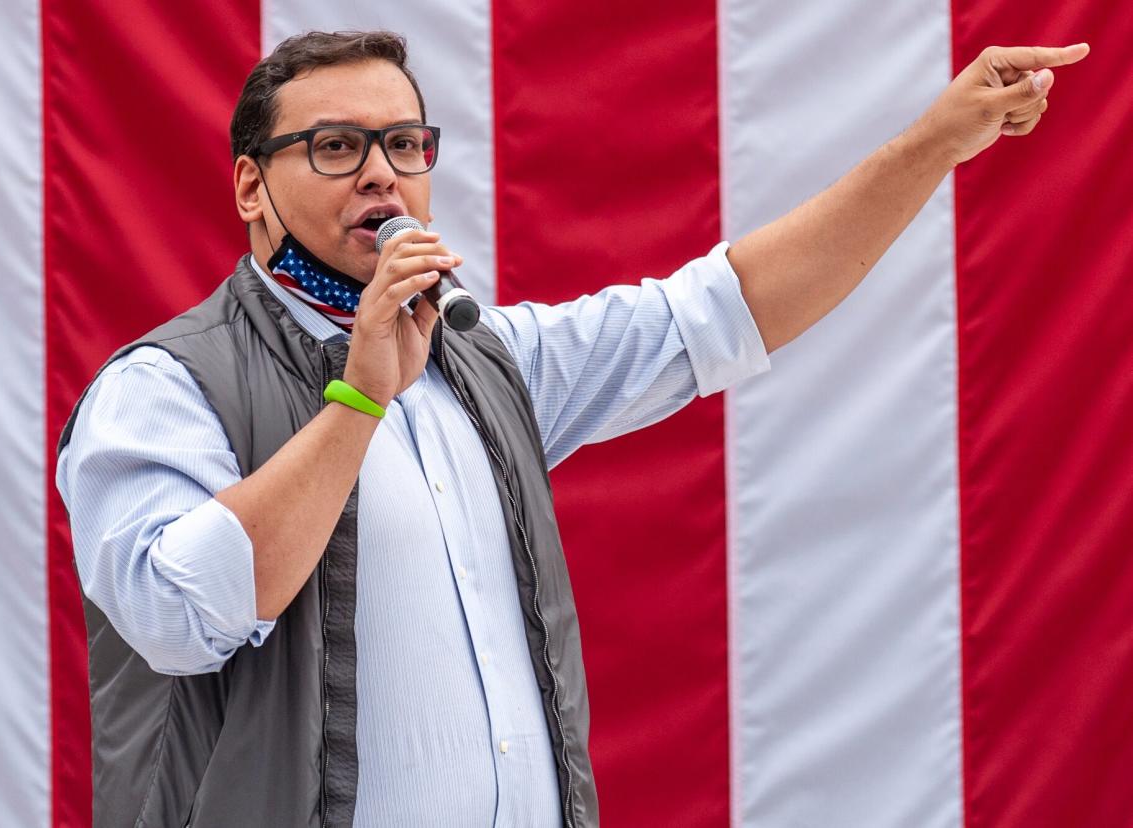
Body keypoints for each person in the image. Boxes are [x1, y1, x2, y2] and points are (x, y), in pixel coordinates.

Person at [56, 29, 1089, 828]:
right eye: (336, 147)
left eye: (405, 145)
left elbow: (726, 308)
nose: (383, 174)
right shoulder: (163, 389)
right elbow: (177, 620)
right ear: (250, 185)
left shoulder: (485, 356)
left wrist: (932, 146)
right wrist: (359, 402)